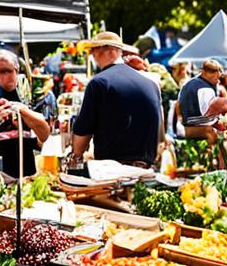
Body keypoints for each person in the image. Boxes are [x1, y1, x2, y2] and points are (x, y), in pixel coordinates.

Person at [69, 32, 163, 167]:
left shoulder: (99, 83)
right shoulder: (151, 84)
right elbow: (160, 131)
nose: (92, 55)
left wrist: (76, 157)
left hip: (113, 170)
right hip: (147, 169)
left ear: (111, 51)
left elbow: (84, 130)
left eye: (94, 49)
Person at [0, 49, 51, 176]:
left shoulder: (31, 94)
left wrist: (20, 109)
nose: (8, 76)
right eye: (3, 72)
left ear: (17, 70)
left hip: (27, 162)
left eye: (11, 71)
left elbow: (45, 134)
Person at [178, 58, 227, 127]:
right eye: (215, 78)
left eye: (218, 78)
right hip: (199, 127)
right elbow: (208, 117)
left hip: (184, 125)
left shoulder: (187, 83)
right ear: (204, 73)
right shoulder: (206, 89)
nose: (217, 81)